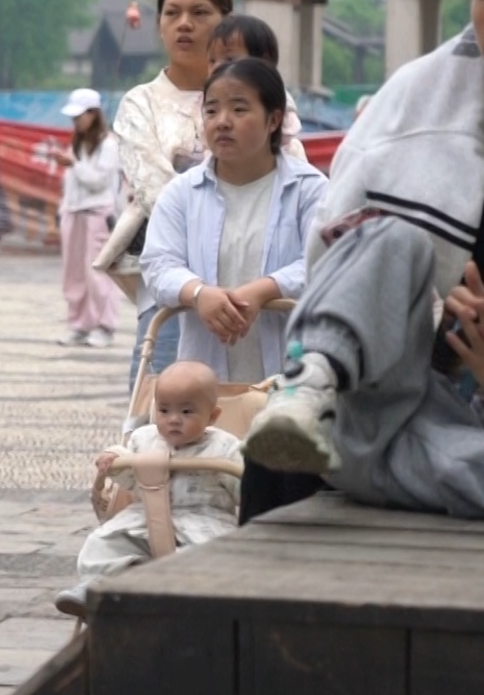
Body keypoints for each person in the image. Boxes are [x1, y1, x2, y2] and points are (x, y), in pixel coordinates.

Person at [243, 0, 484, 518]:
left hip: (454, 443)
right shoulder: (413, 102)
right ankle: (308, 386)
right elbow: (337, 261)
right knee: (389, 238)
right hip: (383, 398)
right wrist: (433, 314)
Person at [140, 57, 326, 520]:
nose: (222, 121)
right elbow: (157, 263)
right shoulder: (182, 193)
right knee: (209, 501)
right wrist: (197, 293)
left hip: (290, 379)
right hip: (206, 387)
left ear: (274, 119)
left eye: (239, 109)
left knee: (284, 504)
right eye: (212, 110)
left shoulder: (311, 190)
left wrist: (266, 289)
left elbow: (327, 261)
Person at [111, 0, 230, 389]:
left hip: (251, 286)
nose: (184, 24)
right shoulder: (140, 104)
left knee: (250, 412)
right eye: (172, 13)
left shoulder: (266, 96)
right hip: (171, 286)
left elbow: (287, 176)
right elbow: (158, 195)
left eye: (200, 12)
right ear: (159, 25)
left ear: (226, 21)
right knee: (158, 413)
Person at [55, 361, 241, 615]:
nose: (173, 420)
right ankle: (101, 585)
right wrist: (115, 460)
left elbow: (244, 487)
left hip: (204, 521)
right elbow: (130, 479)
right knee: (102, 543)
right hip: (143, 520)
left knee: (215, 556)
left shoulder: (225, 447)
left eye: (186, 412)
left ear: (212, 416)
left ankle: (174, 588)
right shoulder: (144, 438)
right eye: (164, 410)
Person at [55, 88, 122, 348]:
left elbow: (98, 182)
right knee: (73, 273)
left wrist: (74, 165)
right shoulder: (78, 144)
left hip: (98, 214)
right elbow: (71, 184)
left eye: (80, 116)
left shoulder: (108, 145)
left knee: (97, 272)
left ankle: (105, 326)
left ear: (94, 114)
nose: (76, 121)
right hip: (73, 213)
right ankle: (79, 324)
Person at [207, 15, 306, 156]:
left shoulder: (276, 100)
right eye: (212, 60)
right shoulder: (205, 99)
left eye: (229, 59)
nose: (217, 67)